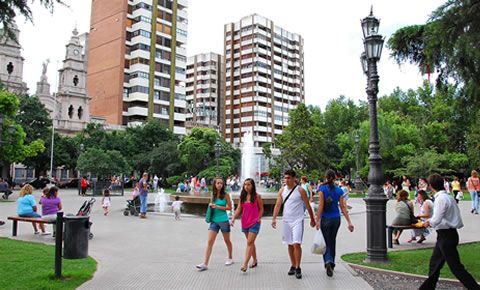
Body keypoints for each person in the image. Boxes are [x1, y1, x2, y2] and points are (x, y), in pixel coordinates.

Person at [420, 173, 480, 290]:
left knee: (456, 267)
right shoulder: (447, 197)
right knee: (434, 264)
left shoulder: (441, 199)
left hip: (446, 236)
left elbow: (436, 219)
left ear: (431, 186)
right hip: (444, 235)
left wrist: (427, 223)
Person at [271, 169, 316, 279]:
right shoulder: (282, 190)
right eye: (285, 178)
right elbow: (277, 205)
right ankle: (293, 264)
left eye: (288, 178)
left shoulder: (300, 190)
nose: (286, 180)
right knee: (289, 244)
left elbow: (308, 205)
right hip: (286, 220)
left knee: (297, 243)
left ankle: (298, 267)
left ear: (294, 178)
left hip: (298, 220)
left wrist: (312, 219)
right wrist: (274, 218)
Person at [316, 170, 354, 277]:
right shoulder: (339, 191)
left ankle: (328, 261)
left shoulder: (322, 189)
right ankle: (331, 262)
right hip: (336, 219)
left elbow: (320, 206)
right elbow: (343, 207)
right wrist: (349, 222)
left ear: (326, 178)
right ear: (335, 178)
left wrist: (317, 220)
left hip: (325, 219)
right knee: (332, 241)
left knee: (326, 241)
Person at [196, 177, 233, 271]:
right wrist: (211, 206)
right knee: (210, 241)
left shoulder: (226, 195)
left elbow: (229, 208)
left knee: (227, 240)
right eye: (218, 183)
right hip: (214, 221)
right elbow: (211, 206)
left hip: (224, 220)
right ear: (215, 185)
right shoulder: (213, 195)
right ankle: (205, 263)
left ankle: (230, 257)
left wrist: (218, 206)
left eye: (221, 183)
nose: (219, 184)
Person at [230, 178, 264, 273]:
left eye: (248, 184)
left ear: (252, 185)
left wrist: (259, 218)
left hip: (254, 222)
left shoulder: (257, 196)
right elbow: (239, 209)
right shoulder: (243, 197)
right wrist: (233, 218)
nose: (246, 187)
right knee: (251, 243)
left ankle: (245, 264)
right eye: (245, 185)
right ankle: (255, 260)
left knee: (249, 242)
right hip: (245, 222)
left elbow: (261, 209)